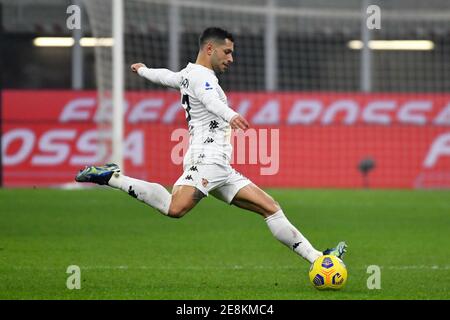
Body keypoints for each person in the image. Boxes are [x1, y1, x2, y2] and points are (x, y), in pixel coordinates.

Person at [75, 27, 347, 265]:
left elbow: (166, 76)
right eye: (227, 52)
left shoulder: (188, 74)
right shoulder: (203, 78)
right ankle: (113, 177)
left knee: (270, 207)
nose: (231, 58)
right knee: (174, 208)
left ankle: (320, 258)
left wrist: (144, 70)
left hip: (219, 164)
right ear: (209, 48)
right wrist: (231, 115)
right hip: (206, 159)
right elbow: (209, 100)